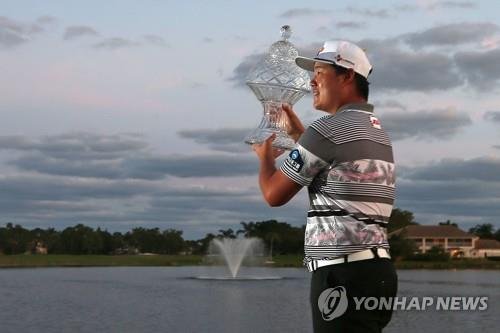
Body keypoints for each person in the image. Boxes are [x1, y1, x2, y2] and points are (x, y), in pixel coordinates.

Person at [252, 40, 398, 332]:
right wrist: (300, 137)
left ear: (346, 76)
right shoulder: (374, 128)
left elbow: (273, 194)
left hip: (342, 274)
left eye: (320, 72)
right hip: (377, 272)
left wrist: (265, 157)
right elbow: (335, 167)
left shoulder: (325, 130)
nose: (312, 81)